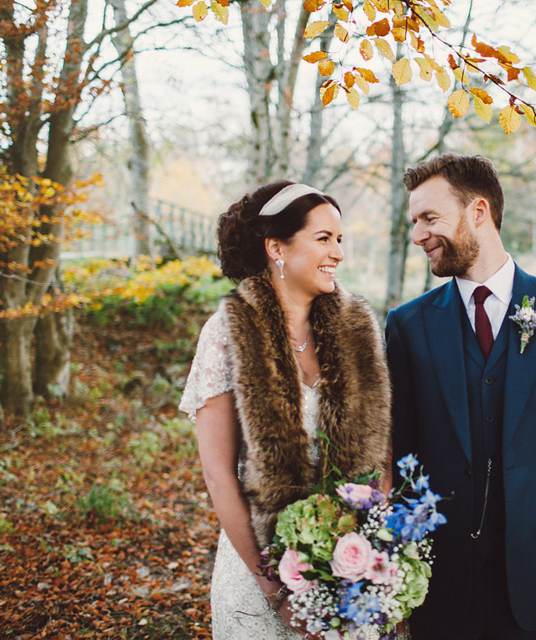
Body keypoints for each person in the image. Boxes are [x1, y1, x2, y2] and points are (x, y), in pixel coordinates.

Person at [385, 154, 536, 639]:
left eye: (429, 218)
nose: (417, 235)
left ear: (478, 212)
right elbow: (399, 454)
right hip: (438, 572)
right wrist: (394, 563)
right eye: (414, 222)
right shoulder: (408, 325)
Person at [179, 181, 392, 639]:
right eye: (323, 239)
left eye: (340, 240)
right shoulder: (225, 334)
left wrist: (373, 555)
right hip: (259, 574)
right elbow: (219, 477)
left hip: (352, 572)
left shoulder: (358, 330)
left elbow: (382, 455)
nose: (337, 253)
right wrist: (276, 587)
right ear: (276, 247)